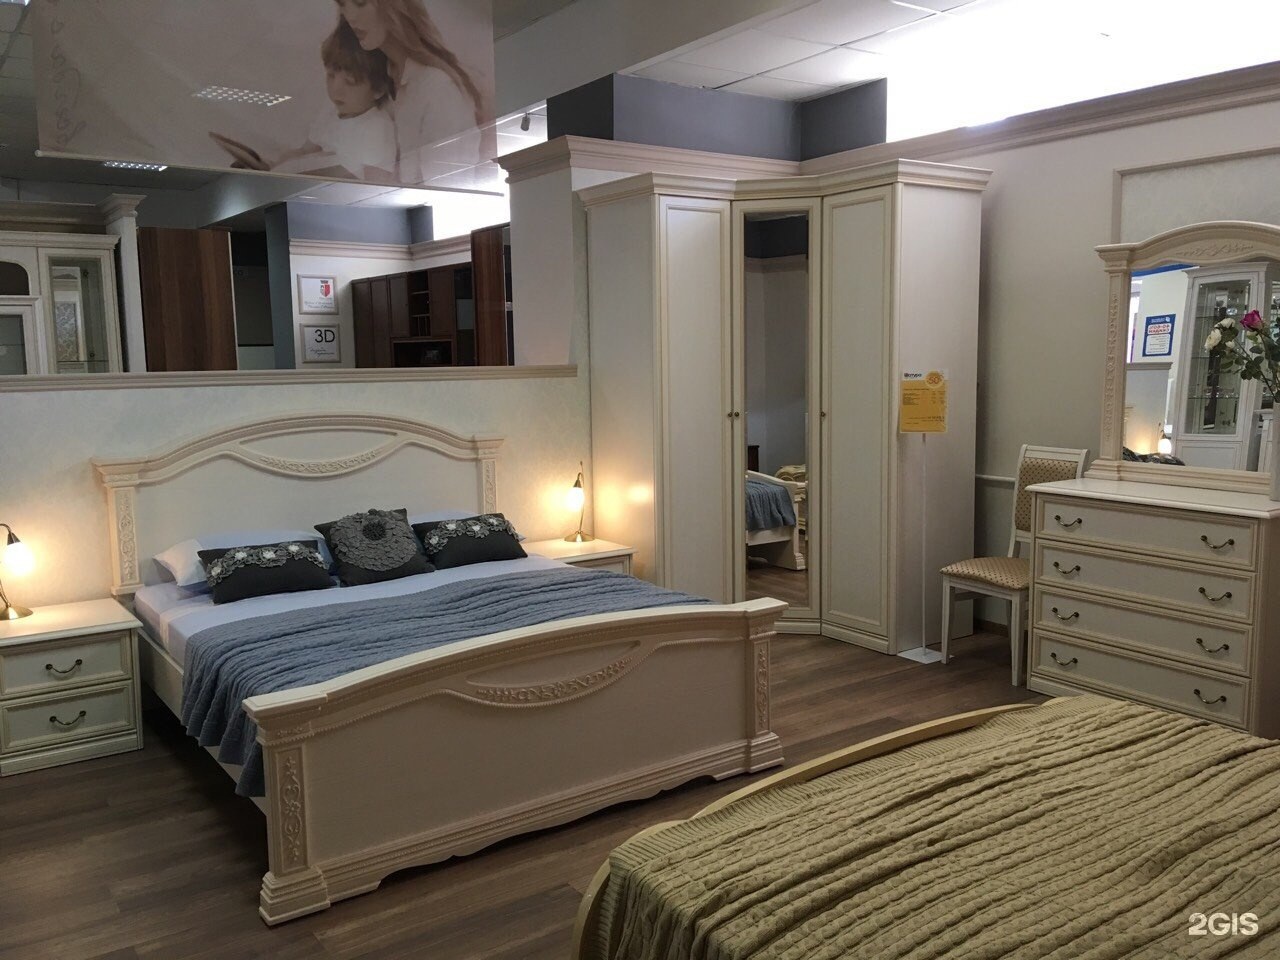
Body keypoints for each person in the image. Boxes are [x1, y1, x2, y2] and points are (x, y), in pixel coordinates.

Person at [334, 0, 491, 182]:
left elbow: (447, 185)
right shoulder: (376, 81)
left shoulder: (437, 88)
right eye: (342, 4)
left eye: (360, 3)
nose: (350, 17)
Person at [277, 22, 397, 180]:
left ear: (378, 89)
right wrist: (279, 165)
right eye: (331, 76)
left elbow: (376, 183)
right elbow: (306, 151)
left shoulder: (377, 128)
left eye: (350, 81)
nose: (335, 89)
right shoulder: (331, 110)